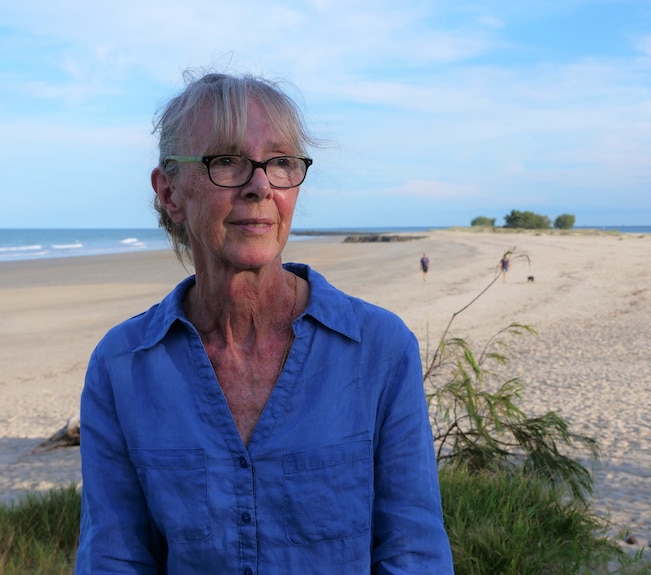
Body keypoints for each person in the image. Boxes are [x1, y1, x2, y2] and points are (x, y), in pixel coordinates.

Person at [75, 71, 453, 574]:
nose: (260, 186)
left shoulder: (379, 349)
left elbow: (414, 554)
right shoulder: (123, 366)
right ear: (170, 192)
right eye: (226, 161)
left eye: (279, 163)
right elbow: (113, 558)